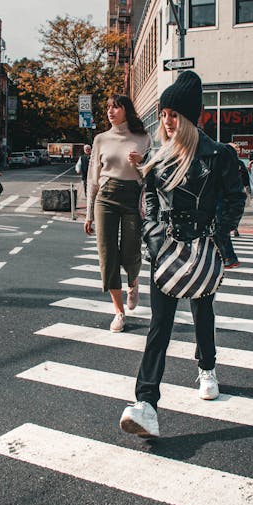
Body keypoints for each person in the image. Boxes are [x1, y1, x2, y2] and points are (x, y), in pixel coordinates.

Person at [119, 70, 245, 439]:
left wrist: (215, 235)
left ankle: (207, 367)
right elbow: (150, 203)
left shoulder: (219, 155)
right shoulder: (158, 157)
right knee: (160, 326)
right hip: (168, 251)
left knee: (203, 315)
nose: (166, 121)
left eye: (173, 114)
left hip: (204, 250)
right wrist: (156, 240)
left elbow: (235, 199)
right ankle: (146, 404)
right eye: (163, 114)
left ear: (191, 117)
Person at [84, 95, 150, 333]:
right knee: (107, 254)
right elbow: (93, 179)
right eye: (108, 107)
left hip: (132, 195)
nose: (110, 111)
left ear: (126, 110)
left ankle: (133, 282)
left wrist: (141, 163)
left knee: (130, 251)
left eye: (116, 107)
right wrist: (89, 213)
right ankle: (119, 312)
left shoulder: (143, 137)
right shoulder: (101, 139)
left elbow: (149, 177)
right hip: (106, 197)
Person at [228, 142, 251, 237]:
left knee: (237, 210)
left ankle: (234, 227)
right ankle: (230, 227)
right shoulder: (224, 163)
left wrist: (246, 187)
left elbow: (245, 177)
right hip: (227, 191)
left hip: (238, 191)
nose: (237, 152)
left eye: (238, 150)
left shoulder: (239, 163)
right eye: (235, 150)